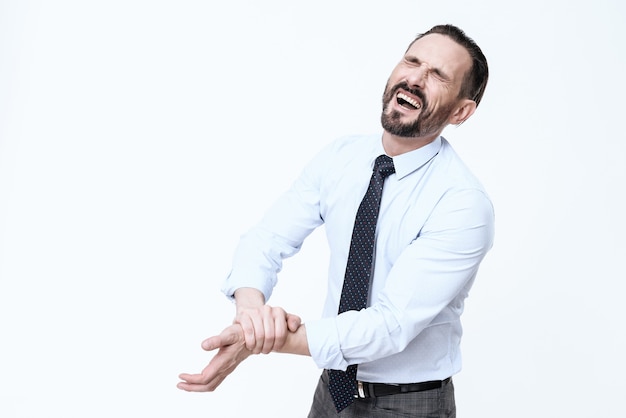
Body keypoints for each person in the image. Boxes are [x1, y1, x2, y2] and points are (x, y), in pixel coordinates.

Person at [178, 23, 494, 417]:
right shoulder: (340, 158)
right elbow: (268, 238)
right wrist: (251, 313)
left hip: (410, 404)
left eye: (438, 75)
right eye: (412, 61)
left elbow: (390, 327)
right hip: (332, 390)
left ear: (461, 112)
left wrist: (267, 339)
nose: (415, 78)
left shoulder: (462, 203)